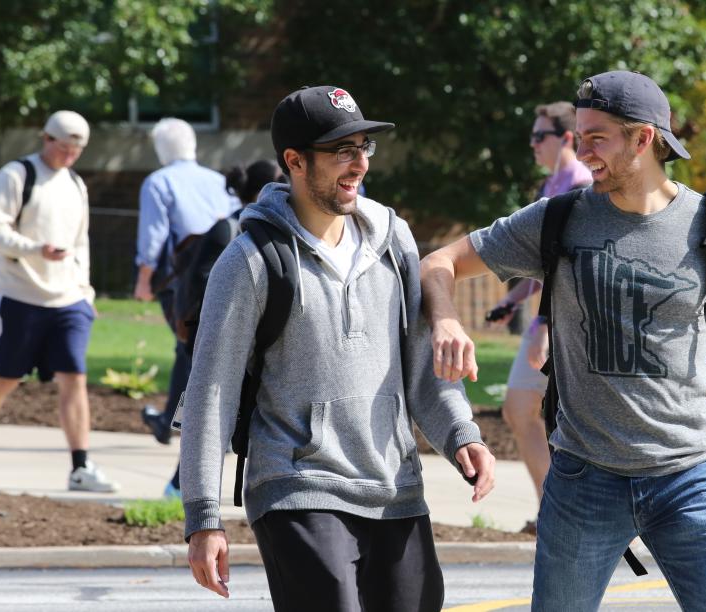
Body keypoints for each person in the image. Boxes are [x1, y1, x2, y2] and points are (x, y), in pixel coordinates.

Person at [421, 71, 706, 610]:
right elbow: (438, 263)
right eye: (578, 135)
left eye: (597, 137)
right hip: (583, 481)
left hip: (690, 479)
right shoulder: (560, 218)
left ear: (644, 139)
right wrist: (446, 321)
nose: (581, 150)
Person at [180, 85, 496, 611]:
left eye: (364, 148)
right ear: (295, 161)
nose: (358, 165)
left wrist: (462, 435)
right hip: (297, 485)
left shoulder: (395, 242)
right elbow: (212, 390)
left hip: (394, 487)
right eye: (341, 151)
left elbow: (421, 369)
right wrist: (203, 518)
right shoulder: (251, 261)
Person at [0, 111, 116, 492]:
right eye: (64, 146)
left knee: (74, 377)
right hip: (20, 295)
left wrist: (85, 291)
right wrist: (34, 249)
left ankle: (80, 466)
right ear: (45, 138)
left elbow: (80, 243)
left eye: (77, 149)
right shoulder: (16, 176)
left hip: (69, 299)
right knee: (4, 379)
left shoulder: (76, 184)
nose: (70, 155)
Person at [150, 159, 287, 499]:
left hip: (244, 343)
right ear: (260, 190)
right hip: (209, 341)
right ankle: (180, 485)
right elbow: (203, 288)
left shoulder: (262, 231)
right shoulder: (228, 230)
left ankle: (188, 483)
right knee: (206, 413)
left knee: (226, 416)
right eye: (280, 180)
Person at [486, 101, 592, 511]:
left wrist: (545, 325)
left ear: (566, 137)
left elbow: (568, 270)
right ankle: (554, 510)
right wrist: (511, 300)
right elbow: (543, 264)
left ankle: (579, 516)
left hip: (573, 327)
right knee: (520, 409)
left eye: (539, 136)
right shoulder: (548, 189)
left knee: (571, 423)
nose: (532, 144)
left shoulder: (582, 188)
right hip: (545, 324)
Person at [134, 118, 236, 454]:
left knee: (193, 353)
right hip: (224, 278)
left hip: (181, 285)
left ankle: (188, 426)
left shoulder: (158, 182)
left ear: (161, 149)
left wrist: (145, 279)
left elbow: (154, 235)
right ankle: (169, 421)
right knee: (191, 351)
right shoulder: (218, 181)